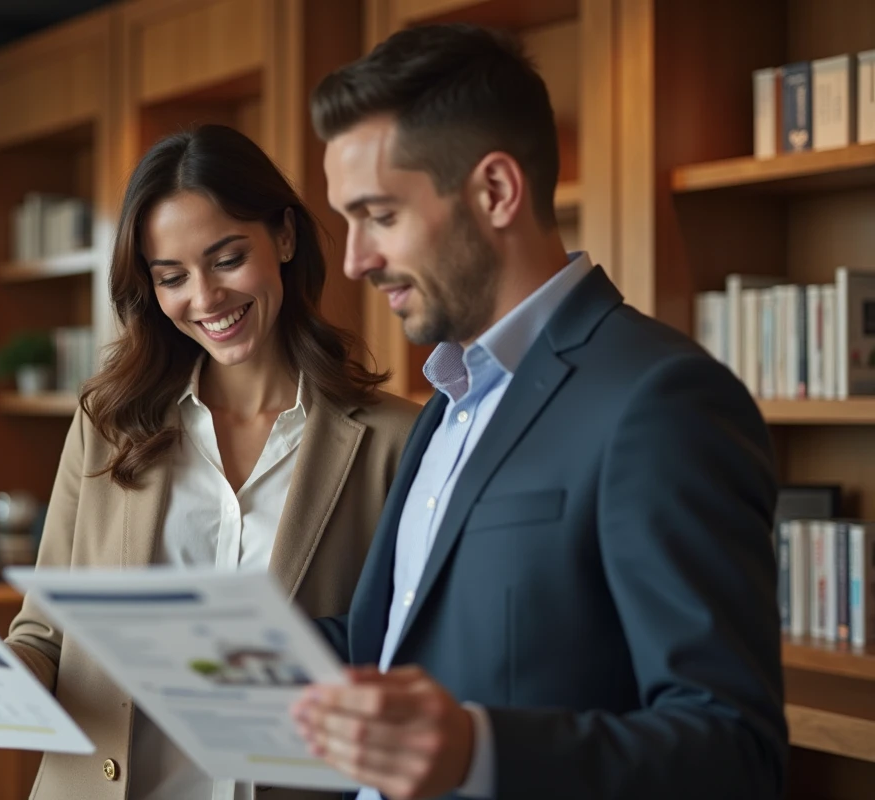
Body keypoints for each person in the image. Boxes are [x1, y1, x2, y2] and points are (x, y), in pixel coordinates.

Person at [0, 124, 421, 800]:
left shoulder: (393, 441)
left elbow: (404, 660)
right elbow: (46, 638)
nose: (204, 299)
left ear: (285, 237)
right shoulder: (109, 424)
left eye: (227, 258)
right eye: (171, 277)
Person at [290, 22, 788, 800]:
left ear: (495, 191)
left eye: (379, 215)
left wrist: (478, 751)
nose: (355, 259)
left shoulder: (661, 402)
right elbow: (385, 648)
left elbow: (732, 751)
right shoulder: (445, 401)